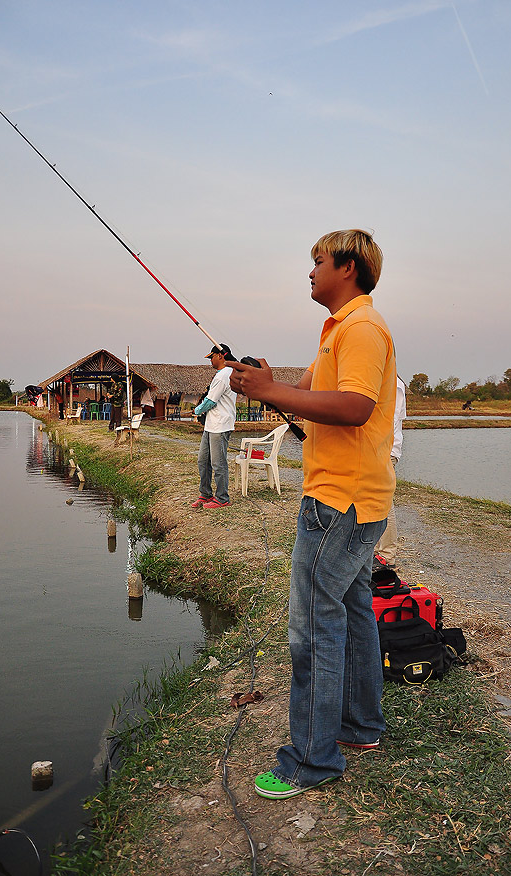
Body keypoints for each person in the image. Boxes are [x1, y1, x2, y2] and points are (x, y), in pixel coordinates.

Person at [228, 229, 396, 799]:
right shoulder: (336, 331)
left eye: (318, 261)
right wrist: (263, 383)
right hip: (349, 498)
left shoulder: (362, 329)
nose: (310, 271)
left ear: (347, 267)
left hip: (339, 503)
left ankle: (310, 760)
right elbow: (308, 410)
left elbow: (354, 408)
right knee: (350, 612)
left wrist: (274, 387)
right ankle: (358, 727)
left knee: (313, 631)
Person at [191, 344, 237, 510]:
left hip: (221, 425)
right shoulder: (222, 374)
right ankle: (205, 493)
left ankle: (222, 497)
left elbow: (210, 401)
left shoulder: (224, 375)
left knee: (218, 464)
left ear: (220, 356)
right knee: (203, 461)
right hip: (211, 425)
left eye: (212, 357)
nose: (210, 360)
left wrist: (196, 410)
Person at [373, 374, 406, 571]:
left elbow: (388, 420)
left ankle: (387, 554)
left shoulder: (393, 384)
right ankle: (378, 549)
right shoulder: (384, 381)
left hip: (385, 450)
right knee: (375, 500)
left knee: (384, 501)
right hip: (378, 449)